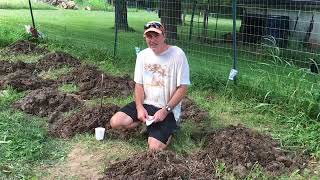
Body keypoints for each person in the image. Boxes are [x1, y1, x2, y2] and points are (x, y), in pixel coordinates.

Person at [110, 21, 190, 151]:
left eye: (156, 36)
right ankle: (148, 124)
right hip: (147, 105)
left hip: (166, 109)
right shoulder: (142, 56)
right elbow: (139, 85)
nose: (152, 40)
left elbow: (183, 87)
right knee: (116, 122)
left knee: (154, 147)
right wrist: (140, 107)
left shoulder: (177, 55)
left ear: (164, 36)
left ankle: (170, 129)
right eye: (149, 36)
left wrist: (165, 110)